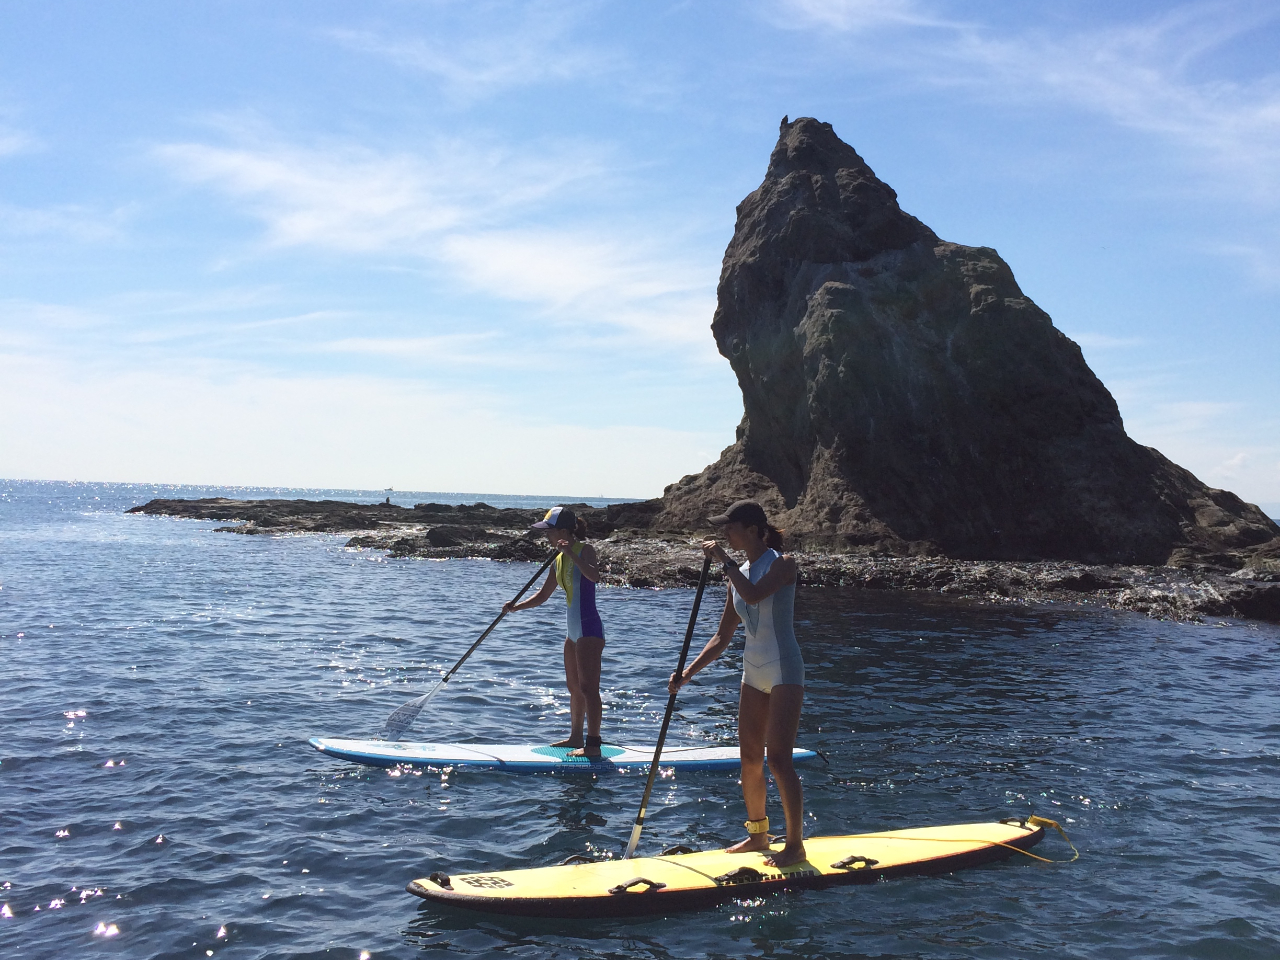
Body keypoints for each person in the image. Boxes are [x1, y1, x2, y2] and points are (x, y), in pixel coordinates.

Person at [668, 499, 807, 867]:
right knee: (749, 760)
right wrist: (687, 674)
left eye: (730, 527)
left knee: (778, 760)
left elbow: (756, 594)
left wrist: (726, 565)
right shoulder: (739, 571)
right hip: (753, 671)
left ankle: (795, 844)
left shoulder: (783, 564)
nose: (724, 533)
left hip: (784, 670)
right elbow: (722, 637)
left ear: (752, 530)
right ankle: (758, 834)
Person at [503, 506, 606, 758]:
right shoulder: (557, 560)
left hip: (589, 629)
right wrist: (516, 607)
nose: (546, 537)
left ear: (563, 531)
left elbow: (594, 576)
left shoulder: (585, 550)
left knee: (589, 688)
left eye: (549, 532)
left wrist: (571, 552)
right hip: (572, 632)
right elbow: (543, 595)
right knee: (574, 687)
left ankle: (593, 745)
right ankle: (575, 737)